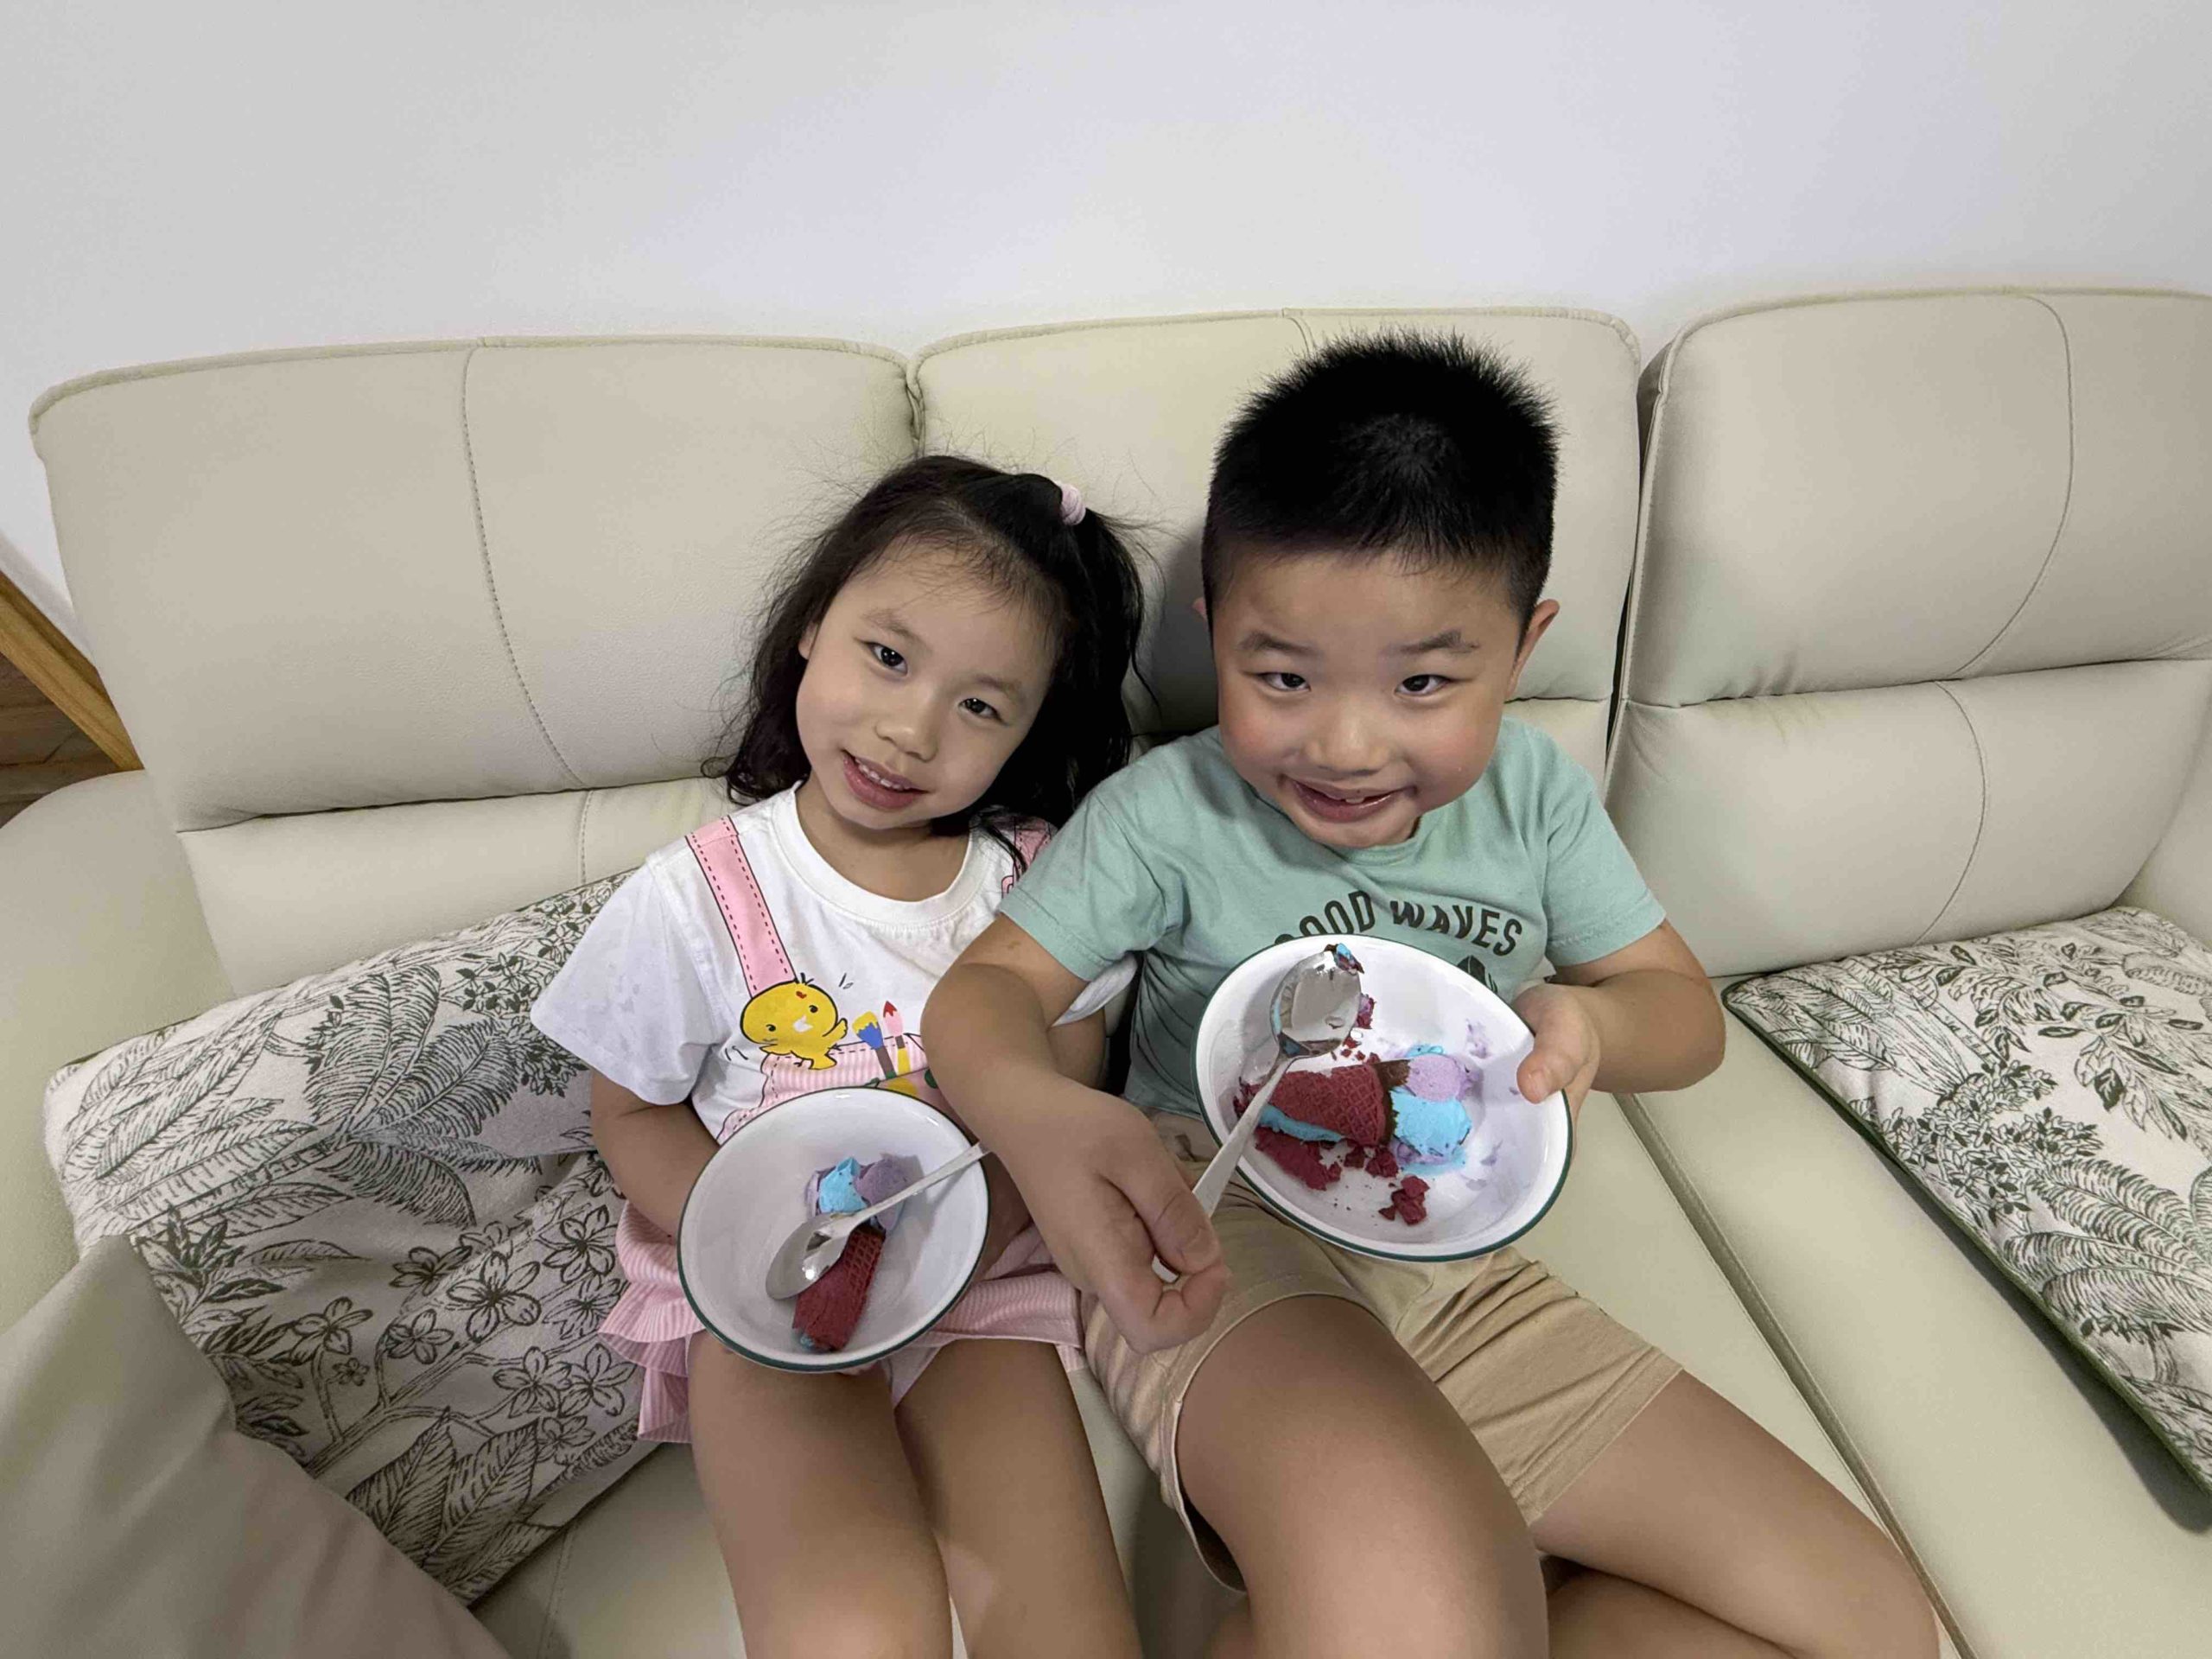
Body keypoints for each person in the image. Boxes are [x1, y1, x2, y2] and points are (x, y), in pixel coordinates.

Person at [925, 337, 1939, 1658]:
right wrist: (1041, 1118)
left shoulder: (1535, 799)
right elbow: (986, 996)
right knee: (1422, 1591)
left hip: (1462, 1271)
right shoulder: (1167, 812)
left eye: (1422, 683)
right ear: (1215, 631)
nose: (1346, 745)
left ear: (1524, 649)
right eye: (1282, 676)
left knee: (1873, 1624)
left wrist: (1594, 1025)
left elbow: (1683, 1015)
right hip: (1223, 1232)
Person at [531, 456, 1146, 1659]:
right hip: (766, 1300)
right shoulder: (698, 894)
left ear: (1032, 728)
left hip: (978, 1295)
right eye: (889, 656)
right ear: (813, 625)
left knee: (1070, 1629)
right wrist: (750, 1235)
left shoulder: (1040, 881)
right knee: (855, 1632)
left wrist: (980, 1227)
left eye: (982, 706)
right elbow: (631, 1114)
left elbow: (1065, 1074)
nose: (911, 730)